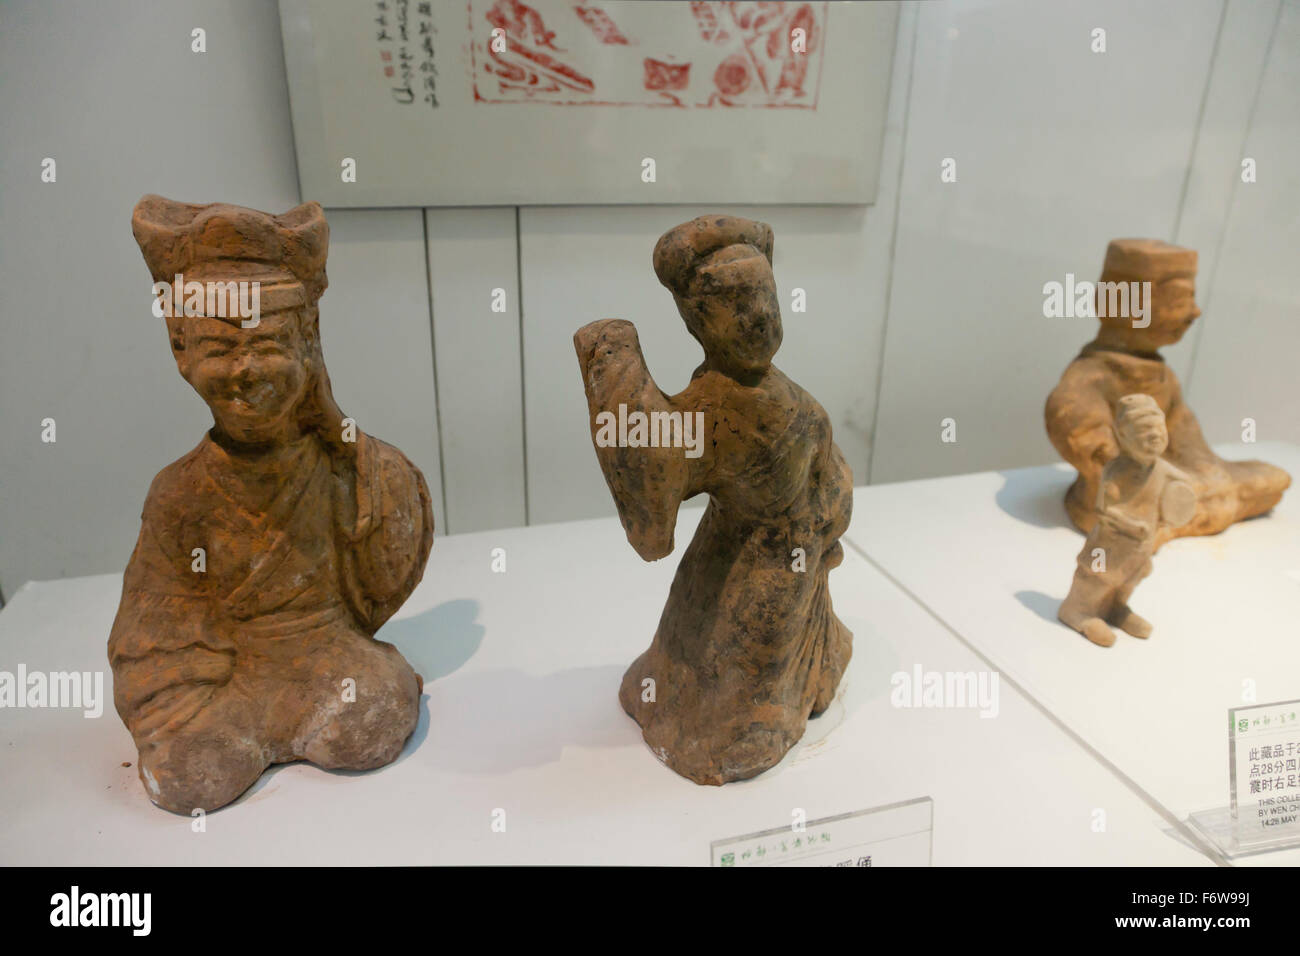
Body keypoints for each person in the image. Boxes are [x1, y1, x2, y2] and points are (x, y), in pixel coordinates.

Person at [109, 196, 433, 813]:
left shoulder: (347, 468)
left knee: (372, 713)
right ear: (180, 348)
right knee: (188, 778)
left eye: (269, 344)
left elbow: (387, 558)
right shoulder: (177, 492)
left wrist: (346, 439)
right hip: (224, 682)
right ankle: (246, 730)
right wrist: (203, 683)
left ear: (308, 341)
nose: (246, 371)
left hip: (329, 662)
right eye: (220, 349)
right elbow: (150, 632)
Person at [574, 215, 853, 785]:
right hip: (747, 560)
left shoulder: (778, 395)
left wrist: (830, 518)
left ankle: (757, 712)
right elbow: (659, 465)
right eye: (733, 302)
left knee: (747, 667)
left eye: (764, 297)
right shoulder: (711, 405)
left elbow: (827, 464)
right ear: (698, 320)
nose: (757, 318)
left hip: (790, 558)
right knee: (713, 662)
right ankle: (715, 721)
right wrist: (615, 368)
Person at [1045, 238, 1288, 546]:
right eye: (1179, 299)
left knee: (1272, 479)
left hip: (1171, 482)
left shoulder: (1162, 376)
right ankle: (1150, 525)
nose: (1194, 311)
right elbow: (1089, 443)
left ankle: (1173, 515)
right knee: (1158, 502)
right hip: (1121, 496)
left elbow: (1190, 445)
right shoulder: (1090, 378)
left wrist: (1205, 475)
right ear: (1125, 304)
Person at [1058, 394, 1194, 647]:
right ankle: (1078, 612)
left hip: (1140, 548)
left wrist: (1178, 505)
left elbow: (1184, 492)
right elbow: (1105, 512)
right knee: (1097, 578)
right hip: (1109, 545)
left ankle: (1115, 608)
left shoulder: (1163, 470)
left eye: (1158, 428)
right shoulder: (1117, 470)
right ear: (1123, 436)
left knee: (1133, 576)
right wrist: (1133, 526)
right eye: (1143, 430)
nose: (1154, 435)